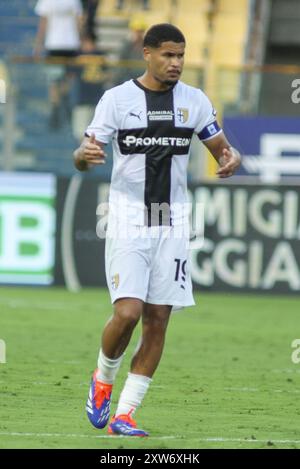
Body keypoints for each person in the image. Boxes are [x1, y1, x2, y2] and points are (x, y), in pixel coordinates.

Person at [73, 23, 241, 437]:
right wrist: (83, 154)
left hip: (174, 221)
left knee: (158, 319)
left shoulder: (195, 101)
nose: (176, 63)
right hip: (129, 217)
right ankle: (103, 378)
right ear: (147, 54)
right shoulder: (116, 100)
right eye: (168, 55)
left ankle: (126, 415)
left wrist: (230, 158)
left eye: (181, 55)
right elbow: (84, 153)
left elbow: (222, 148)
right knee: (127, 312)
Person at [34, 0, 83, 129]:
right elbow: (79, 21)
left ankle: (56, 106)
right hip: (70, 45)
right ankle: (63, 101)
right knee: (67, 77)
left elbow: (43, 23)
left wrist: (39, 44)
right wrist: (79, 41)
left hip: (54, 44)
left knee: (55, 80)